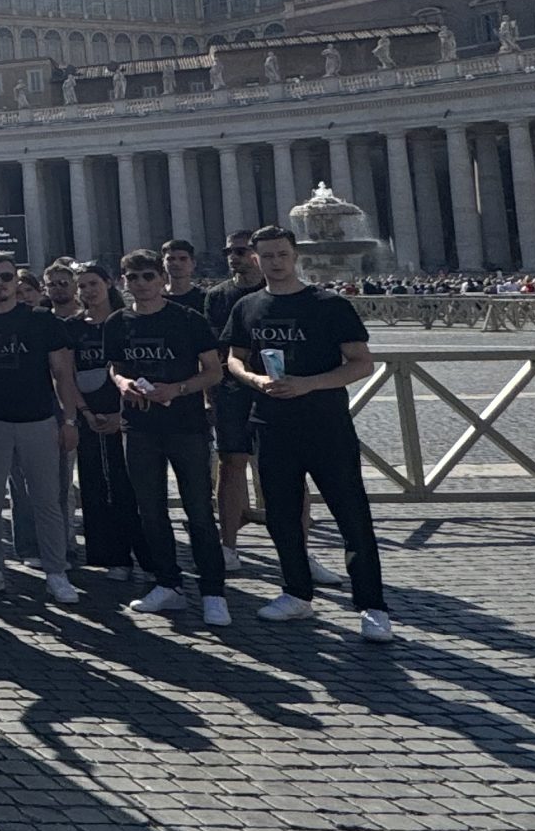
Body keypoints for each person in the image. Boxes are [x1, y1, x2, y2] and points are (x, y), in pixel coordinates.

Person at [222, 225, 393, 642]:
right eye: (266, 256)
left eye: (282, 254)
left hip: (326, 424)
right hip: (270, 423)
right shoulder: (247, 307)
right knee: (281, 516)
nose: (275, 262)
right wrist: (254, 380)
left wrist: (309, 383)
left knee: (352, 515)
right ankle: (296, 592)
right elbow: (233, 358)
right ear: (256, 259)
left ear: (294, 255)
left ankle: (372, 605)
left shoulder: (329, 305)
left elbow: (360, 363)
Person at [106, 249, 229, 626]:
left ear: (161, 280)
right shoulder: (117, 322)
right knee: (150, 509)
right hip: (139, 426)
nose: (140, 284)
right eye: (132, 278)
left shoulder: (188, 319)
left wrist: (177, 389)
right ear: (123, 283)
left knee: (199, 511)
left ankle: (213, 591)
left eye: (147, 276)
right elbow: (116, 367)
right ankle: (168, 584)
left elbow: (213, 372)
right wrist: (123, 383)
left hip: (186, 425)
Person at [0, 251, 82, 604]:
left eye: (5, 277)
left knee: (48, 499)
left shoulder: (43, 320)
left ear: (17, 281)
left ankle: (56, 571)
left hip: (38, 419)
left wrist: (69, 419)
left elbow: (63, 374)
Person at [65, 263, 137, 575]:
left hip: (127, 409)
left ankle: (138, 552)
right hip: (88, 411)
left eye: (93, 283)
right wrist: (84, 413)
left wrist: (121, 413)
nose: (88, 291)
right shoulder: (72, 326)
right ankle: (107, 555)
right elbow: (66, 374)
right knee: (93, 483)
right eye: (82, 286)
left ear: (108, 284)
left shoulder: (127, 322)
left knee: (128, 484)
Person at [204, 231, 266, 555]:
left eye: (240, 250)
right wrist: (210, 392)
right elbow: (211, 347)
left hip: (274, 389)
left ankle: (297, 549)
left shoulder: (275, 291)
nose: (233, 256)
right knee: (230, 464)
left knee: (284, 469)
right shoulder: (216, 296)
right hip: (230, 390)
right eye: (229, 251)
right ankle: (227, 547)